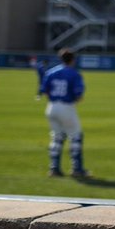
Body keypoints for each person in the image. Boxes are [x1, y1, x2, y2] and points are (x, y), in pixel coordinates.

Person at [40, 48, 88, 178]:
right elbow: (78, 95)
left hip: (51, 107)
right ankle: (77, 169)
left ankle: (54, 168)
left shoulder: (51, 72)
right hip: (66, 106)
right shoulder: (74, 74)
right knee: (76, 137)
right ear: (73, 60)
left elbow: (44, 90)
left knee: (56, 138)